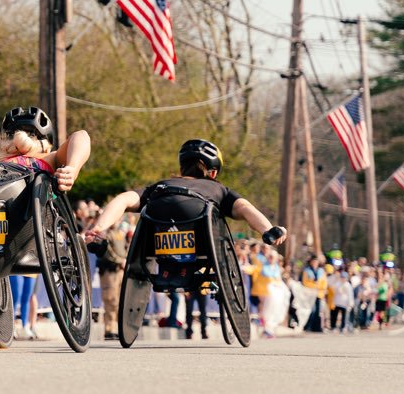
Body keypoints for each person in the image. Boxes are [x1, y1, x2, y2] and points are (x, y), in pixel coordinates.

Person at [86, 139, 287, 336]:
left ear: (182, 169)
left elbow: (123, 199)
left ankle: (97, 234)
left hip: (156, 228)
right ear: (214, 173)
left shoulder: (161, 185)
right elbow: (244, 208)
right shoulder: (218, 189)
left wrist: (99, 229)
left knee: (128, 200)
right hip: (201, 232)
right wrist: (267, 230)